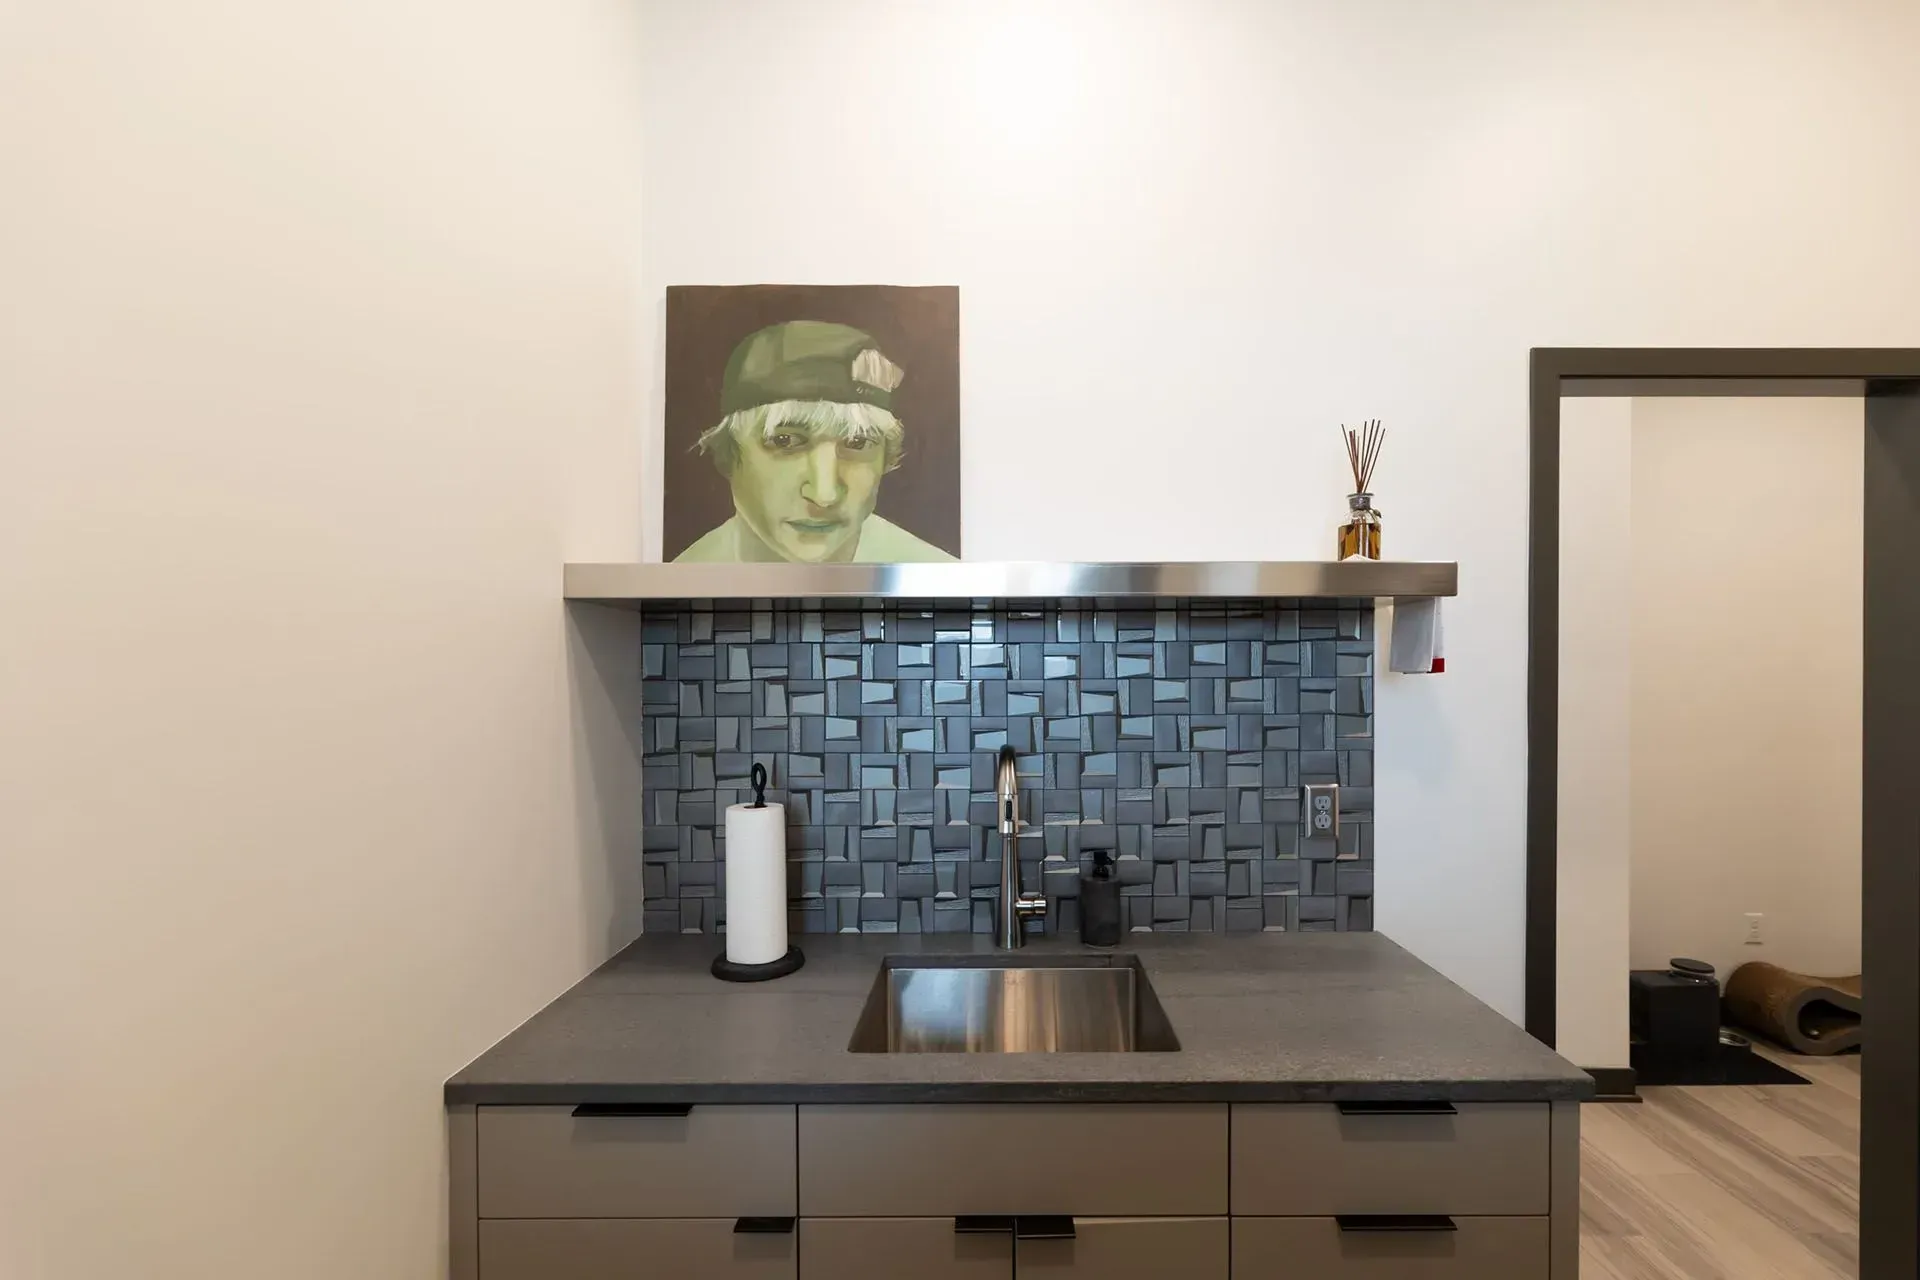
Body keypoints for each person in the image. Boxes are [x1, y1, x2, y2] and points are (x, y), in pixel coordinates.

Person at [674, 320, 956, 563]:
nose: (825, 494)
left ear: (887, 456)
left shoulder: (941, 578)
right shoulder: (679, 581)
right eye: (784, 441)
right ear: (727, 453)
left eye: (857, 443)